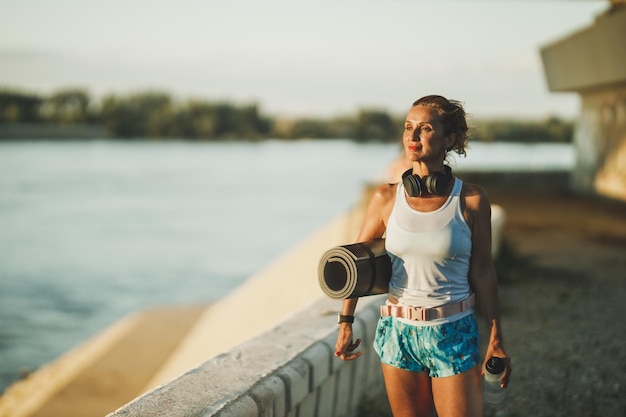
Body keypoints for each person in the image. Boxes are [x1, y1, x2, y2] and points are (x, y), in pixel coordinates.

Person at [335, 95, 511, 417]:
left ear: (449, 139)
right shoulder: (385, 198)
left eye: (425, 128)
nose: (412, 137)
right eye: (408, 128)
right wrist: (345, 322)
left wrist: (496, 335)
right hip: (398, 333)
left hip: (453, 330)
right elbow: (355, 265)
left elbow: (484, 270)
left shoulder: (471, 200)